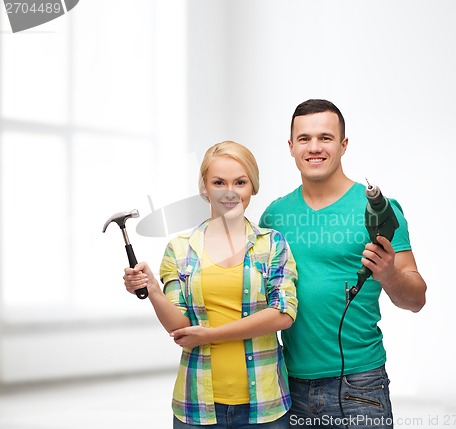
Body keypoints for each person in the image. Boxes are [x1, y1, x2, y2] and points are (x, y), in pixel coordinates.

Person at [259, 99, 427, 428]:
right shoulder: (274, 216)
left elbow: (416, 299)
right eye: (304, 139)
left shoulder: (378, 210)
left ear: (343, 144)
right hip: (286, 385)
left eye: (325, 137)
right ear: (291, 147)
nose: (314, 147)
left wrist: (389, 273)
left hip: (359, 386)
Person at [123, 141, 298, 429]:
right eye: (219, 182)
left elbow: (283, 313)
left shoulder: (272, 244)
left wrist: (210, 335)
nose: (230, 192)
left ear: (252, 187)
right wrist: (153, 289)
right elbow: (178, 325)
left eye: (240, 182)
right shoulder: (179, 249)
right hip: (197, 406)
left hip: (265, 407)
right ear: (204, 188)